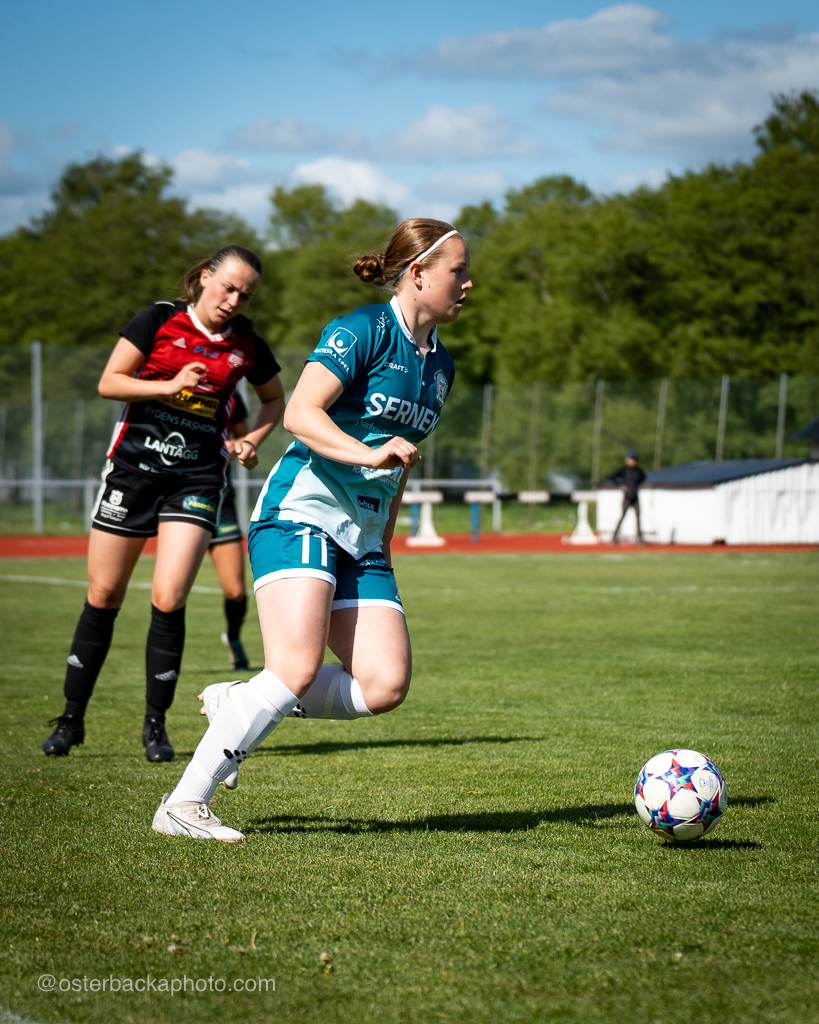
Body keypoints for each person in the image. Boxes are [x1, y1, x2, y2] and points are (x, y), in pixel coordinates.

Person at [152, 218, 470, 841]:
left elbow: (399, 459)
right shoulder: (363, 330)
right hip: (303, 511)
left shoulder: (442, 367)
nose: (467, 283)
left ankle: (240, 699)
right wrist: (368, 453)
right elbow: (299, 413)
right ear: (418, 273)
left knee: (384, 684)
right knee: (294, 668)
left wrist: (383, 540)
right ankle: (183, 804)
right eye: (457, 270)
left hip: (363, 536)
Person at [42, 245, 285, 762]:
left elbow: (274, 400)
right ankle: (70, 719)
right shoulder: (158, 319)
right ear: (204, 278)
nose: (234, 300)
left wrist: (250, 441)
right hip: (133, 472)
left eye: (245, 295)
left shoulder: (246, 345)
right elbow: (109, 383)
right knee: (104, 593)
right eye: (228, 287)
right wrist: (169, 385)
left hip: (196, 479)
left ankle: (156, 726)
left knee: (169, 597)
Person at [209, 389, 252, 671]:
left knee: (236, 591)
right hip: (178, 500)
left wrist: (234, 446)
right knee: (172, 593)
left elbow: (244, 438)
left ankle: (233, 638)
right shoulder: (168, 382)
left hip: (221, 503)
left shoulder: (231, 395)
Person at [610, 450, 646, 543]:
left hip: (635, 497)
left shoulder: (637, 470)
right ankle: (614, 536)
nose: (633, 461)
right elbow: (612, 476)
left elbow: (643, 477)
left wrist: (637, 484)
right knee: (622, 516)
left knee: (638, 517)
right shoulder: (624, 470)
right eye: (631, 459)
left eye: (634, 459)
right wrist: (620, 485)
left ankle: (639, 537)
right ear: (627, 460)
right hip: (627, 497)